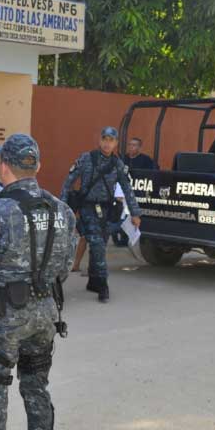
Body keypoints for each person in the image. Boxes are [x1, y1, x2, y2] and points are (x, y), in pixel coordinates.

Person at [0, 133, 77, 430]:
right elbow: (65, 267)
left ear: (4, 166)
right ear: (37, 166)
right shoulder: (62, 210)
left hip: (3, 318)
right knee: (36, 386)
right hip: (46, 313)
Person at [61, 127, 142, 303]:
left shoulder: (118, 164)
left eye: (111, 140)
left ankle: (93, 281)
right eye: (104, 139)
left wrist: (135, 213)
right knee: (97, 245)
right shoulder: (86, 159)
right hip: (87, 209)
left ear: (116, 143)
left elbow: (128, 189)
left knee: (99, 245)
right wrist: (64, 208)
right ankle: (103, 285)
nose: (107, 143)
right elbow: (68, 183)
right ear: (100, 140)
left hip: (107, 211)